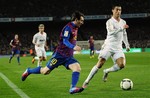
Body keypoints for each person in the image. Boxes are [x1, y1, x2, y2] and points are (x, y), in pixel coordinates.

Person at [22, 11, 85, 94]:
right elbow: (65, 41)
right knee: (45, 71)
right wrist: (74, 47)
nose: (82, 22)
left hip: (68, 57)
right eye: (81, 20)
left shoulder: (76, 28)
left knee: (77, 68)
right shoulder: (68, 28)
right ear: (76, 19)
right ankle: (29, 71)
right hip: (59, 55)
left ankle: (72, 88)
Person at [82, 5, 130, 88]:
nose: (118, 11)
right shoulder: (109, 22)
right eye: (117, 10)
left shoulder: (123, 22)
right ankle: (87, 81)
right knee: (100, 63)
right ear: (112, 10)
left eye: (120, 10)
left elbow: (124, 34)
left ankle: (106, 71)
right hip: (109, 46)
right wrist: (121, 28)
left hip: (118, 47)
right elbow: (111, 32)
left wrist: (127, 45)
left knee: (121, 65)